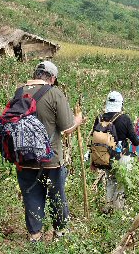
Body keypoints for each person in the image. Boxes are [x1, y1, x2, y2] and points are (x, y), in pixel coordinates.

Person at [14, 61, 84, 242]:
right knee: (56, 195)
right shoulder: (54, 93)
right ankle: (60, 233)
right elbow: (67, 128)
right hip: (51, 159)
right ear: (52, 78)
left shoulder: (19, 92)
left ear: (36, 74)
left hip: (24, 158)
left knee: (31, 195)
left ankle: (35, 235)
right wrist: (78, 119)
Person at [90, 91, 139, 212]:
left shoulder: (100, 118)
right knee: (121, 183)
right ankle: (118, 210)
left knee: (110, 181)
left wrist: (93, 161)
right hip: (122, 156)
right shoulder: (124, 119)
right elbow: (135, 141)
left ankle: (107, 207)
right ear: (121, 103)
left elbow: (94, 140)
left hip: (104, 156)